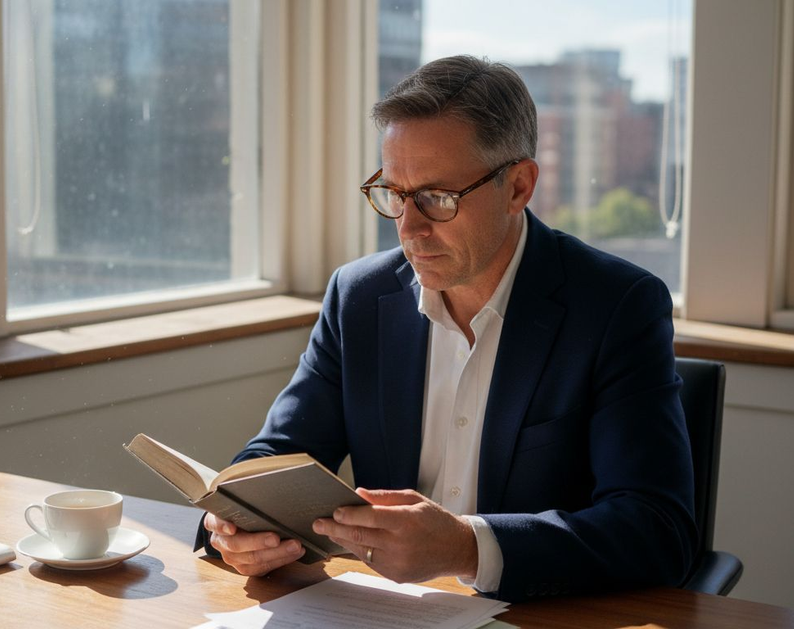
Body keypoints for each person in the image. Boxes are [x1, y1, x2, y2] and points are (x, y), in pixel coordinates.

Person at [197, 54, 697, 602]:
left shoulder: (616, 306)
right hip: (382, 609)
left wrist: (466, 547)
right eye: (395, 194)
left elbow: (657, 530)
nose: (409, 228)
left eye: (438, 198)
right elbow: (277, 455)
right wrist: (234, 524)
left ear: (518, 186)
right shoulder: (358, 297)